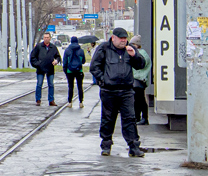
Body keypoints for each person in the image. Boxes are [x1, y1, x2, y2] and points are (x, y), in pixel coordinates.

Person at [90, 26, 146, 157]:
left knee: (130, 118)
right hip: (109, 91)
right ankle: (106, 145)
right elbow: (94, 66)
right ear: (113, 38)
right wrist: (103, 80)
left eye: (125, 39)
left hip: (126, 90)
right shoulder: (104, 48)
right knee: (108, 118)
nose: (123, 41)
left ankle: (133, 146)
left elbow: (141, 65)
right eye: (121, 39)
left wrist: (134, 56)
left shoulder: (129, 49)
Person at [29, 32, 60, 106]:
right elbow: (32, 57)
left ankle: (51, 100)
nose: (46, 39)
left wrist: (56, 61)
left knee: (51, 85)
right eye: (45, 37)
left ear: (50, 38)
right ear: (43, 38)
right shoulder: (39, 46)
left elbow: (58, 56)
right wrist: (37, 64)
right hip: (41, 69)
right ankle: (38, 100)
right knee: (39, 84)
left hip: (50, 69)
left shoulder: (53, 47)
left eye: (47, 37)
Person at [129, 33, 152, 126]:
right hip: (139, 80)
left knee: (139, 100)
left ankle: (143, 118)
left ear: (136, 45)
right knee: (138, 100)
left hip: (138, 79)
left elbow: (139, 67)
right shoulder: (142, 53)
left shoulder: (140, 54)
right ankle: (139, 117)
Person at [62, 36, 87, 108]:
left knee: (70, 86)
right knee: (80, 86)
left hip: (69, 71)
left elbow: (65, 62)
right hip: (79, 70)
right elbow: (83, 61)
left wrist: (65, 70)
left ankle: (70, 102)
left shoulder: (67, 50)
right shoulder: (81, 50)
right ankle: (81, 102)